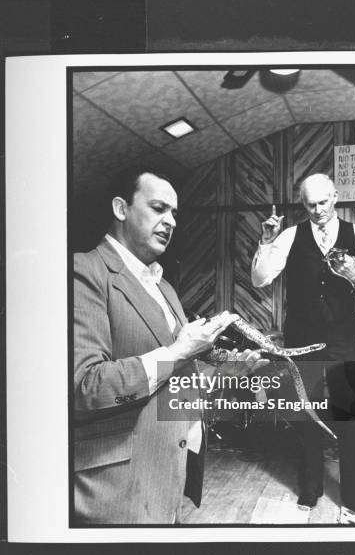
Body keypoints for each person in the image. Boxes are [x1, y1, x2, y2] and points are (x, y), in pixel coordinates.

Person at [73, 167, 260, 525]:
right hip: (116, 491)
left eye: (175, 213)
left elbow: (177, 380)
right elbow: (85, 387)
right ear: (120, 208)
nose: (170, 221)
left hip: (172, 479)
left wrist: (227, 374)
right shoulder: (85, 271)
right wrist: (177, 351)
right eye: (159, 208)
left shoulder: (165, 287)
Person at [251, 173, 355, 524]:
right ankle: (310, 487)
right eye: (310, 204)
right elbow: (260, 279)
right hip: (301, 339)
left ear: (336, 197)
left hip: (343, 338)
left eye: (323, 202)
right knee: (305, 413)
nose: (318, 210)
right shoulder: (291, 235)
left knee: (350, 417)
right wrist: (266, 241)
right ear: (302, 204)